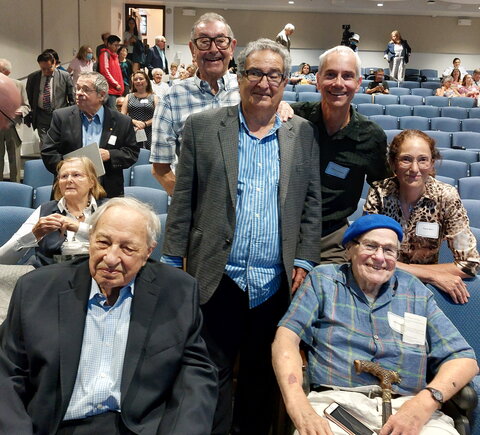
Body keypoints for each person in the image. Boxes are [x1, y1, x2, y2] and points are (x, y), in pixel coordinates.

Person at [162, 38, 321, 435]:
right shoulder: (202, 127)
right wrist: (170, 263)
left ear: (285, 81)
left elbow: (311, 204)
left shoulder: (302, 133)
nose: (264, 83)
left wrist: (303, 259)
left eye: (274, 75)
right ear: (239, 75)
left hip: (274, 281)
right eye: (255, 72)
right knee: (208, 375)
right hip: (217, 275)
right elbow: (183, 202)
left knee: (260, 378)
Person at [0, 197, 218, 434]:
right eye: (103, 243)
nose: (111, 258)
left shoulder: (177, 291)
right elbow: (7, 373)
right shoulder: (37, 289)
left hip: (138, 427)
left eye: (127, 248)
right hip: (57, 425)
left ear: (148, 251)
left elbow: (195, 375)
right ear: (90, 239)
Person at [273, 213, 479, 435]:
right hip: (337, 404)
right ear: (349, 250)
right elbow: (286, 339)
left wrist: (424, 404)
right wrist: (299, 406)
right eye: (370, 246)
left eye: (389, 250)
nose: (379, 257)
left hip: (410, 408)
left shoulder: (415, 291)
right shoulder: (323, 280)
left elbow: (464, 359)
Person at [292, 45, 390, 263]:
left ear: (358, 83)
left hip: (331, 237)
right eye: (330, 75)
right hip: (284, 229)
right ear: (317, 80)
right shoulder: (294, 118)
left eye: (347, 76)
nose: (338, 83)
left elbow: (384, 189)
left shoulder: (371, 136)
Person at [364, 129, 480, 304]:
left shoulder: (446, 196)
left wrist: (413, 273)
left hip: (423, 292)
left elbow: (470, 264)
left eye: (423, 160)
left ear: (432, 163)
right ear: (393, 163)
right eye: (406, 159)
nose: (414, 169)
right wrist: (430, 274)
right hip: (380, 285)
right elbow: (365, 254)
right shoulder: (379, 193)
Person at [150, 13, 240, 196]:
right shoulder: (171, 99)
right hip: (196, 214)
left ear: (232, 47)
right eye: (204, 42)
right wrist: (188, 203)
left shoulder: (249, 91)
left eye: (221, 41)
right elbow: (160, 168)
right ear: (192, 49)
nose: (213, 49)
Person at [42, 71, 138, 198]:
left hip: (107, 189)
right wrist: (71, 170)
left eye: (85, 89)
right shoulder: (61, 117)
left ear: (101, 95)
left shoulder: (121, 121)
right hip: (69, 190)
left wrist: (110, 155)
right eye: (77, 88)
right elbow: (48, 152)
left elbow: (132, 153)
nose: (79, 93)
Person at [0, 156, 106, 266]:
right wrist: (34, 234)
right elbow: (3, 260)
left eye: (76, 175)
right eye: (64, 176)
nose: (69, 180)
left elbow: (120, 240)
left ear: (92, 182)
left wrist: (78, 227)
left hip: (98, 276)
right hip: (52, 277)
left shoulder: (107, 209)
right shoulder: (45, 210)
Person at [25, 51, 75, 146]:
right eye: (43, 69)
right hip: (41, 116)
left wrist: (73, 115)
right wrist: (27, 116)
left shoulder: (65, 76)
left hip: (60, 115)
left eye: (49, 68)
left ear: (54, 63)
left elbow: (72, 97)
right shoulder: (33, 77)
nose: (47, 71)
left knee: (61, 143)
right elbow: (28, 98)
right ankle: (46, 160)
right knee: (45, 145)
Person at [0, 59, 30, 182]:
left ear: (7, 72)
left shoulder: (18, 85)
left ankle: (15, 186)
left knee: (15, 160)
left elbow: (26, 106)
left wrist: (19, 111)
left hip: (13, 126)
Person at [121, 70, 158, 150]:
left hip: (150, 131)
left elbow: (158, 116)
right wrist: (134, 122)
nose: (138, 81)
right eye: (135, 79)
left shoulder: (154, 97)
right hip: (133, 130)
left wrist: (145, 124)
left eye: (141, 79)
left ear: (147, 81)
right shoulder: (128, 96)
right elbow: (122, 115)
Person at [98, 34, 124, 109]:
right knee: (113, 112)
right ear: (109, 44)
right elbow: (105, 71)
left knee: (118, 111)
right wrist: (115, 84)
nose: (117, 47)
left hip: (117, 89)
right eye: (115, 45)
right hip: (110, 90)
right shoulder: (105, 54)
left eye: (118, 45)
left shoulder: (114, 55)